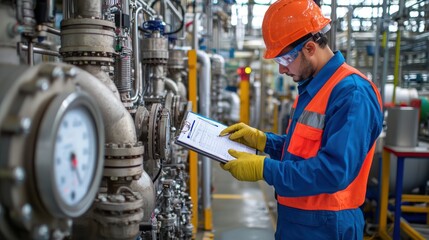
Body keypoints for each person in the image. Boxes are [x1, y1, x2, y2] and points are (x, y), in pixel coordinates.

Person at [219, 0, 384, 239]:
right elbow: (305, 148)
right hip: (297, 221)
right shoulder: (314, 87)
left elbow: (334, 171)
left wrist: (265, 168)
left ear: (309, 48)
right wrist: (264, 141)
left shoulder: (352, 93)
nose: (281, 71)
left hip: (327, 226)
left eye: (284, 60)